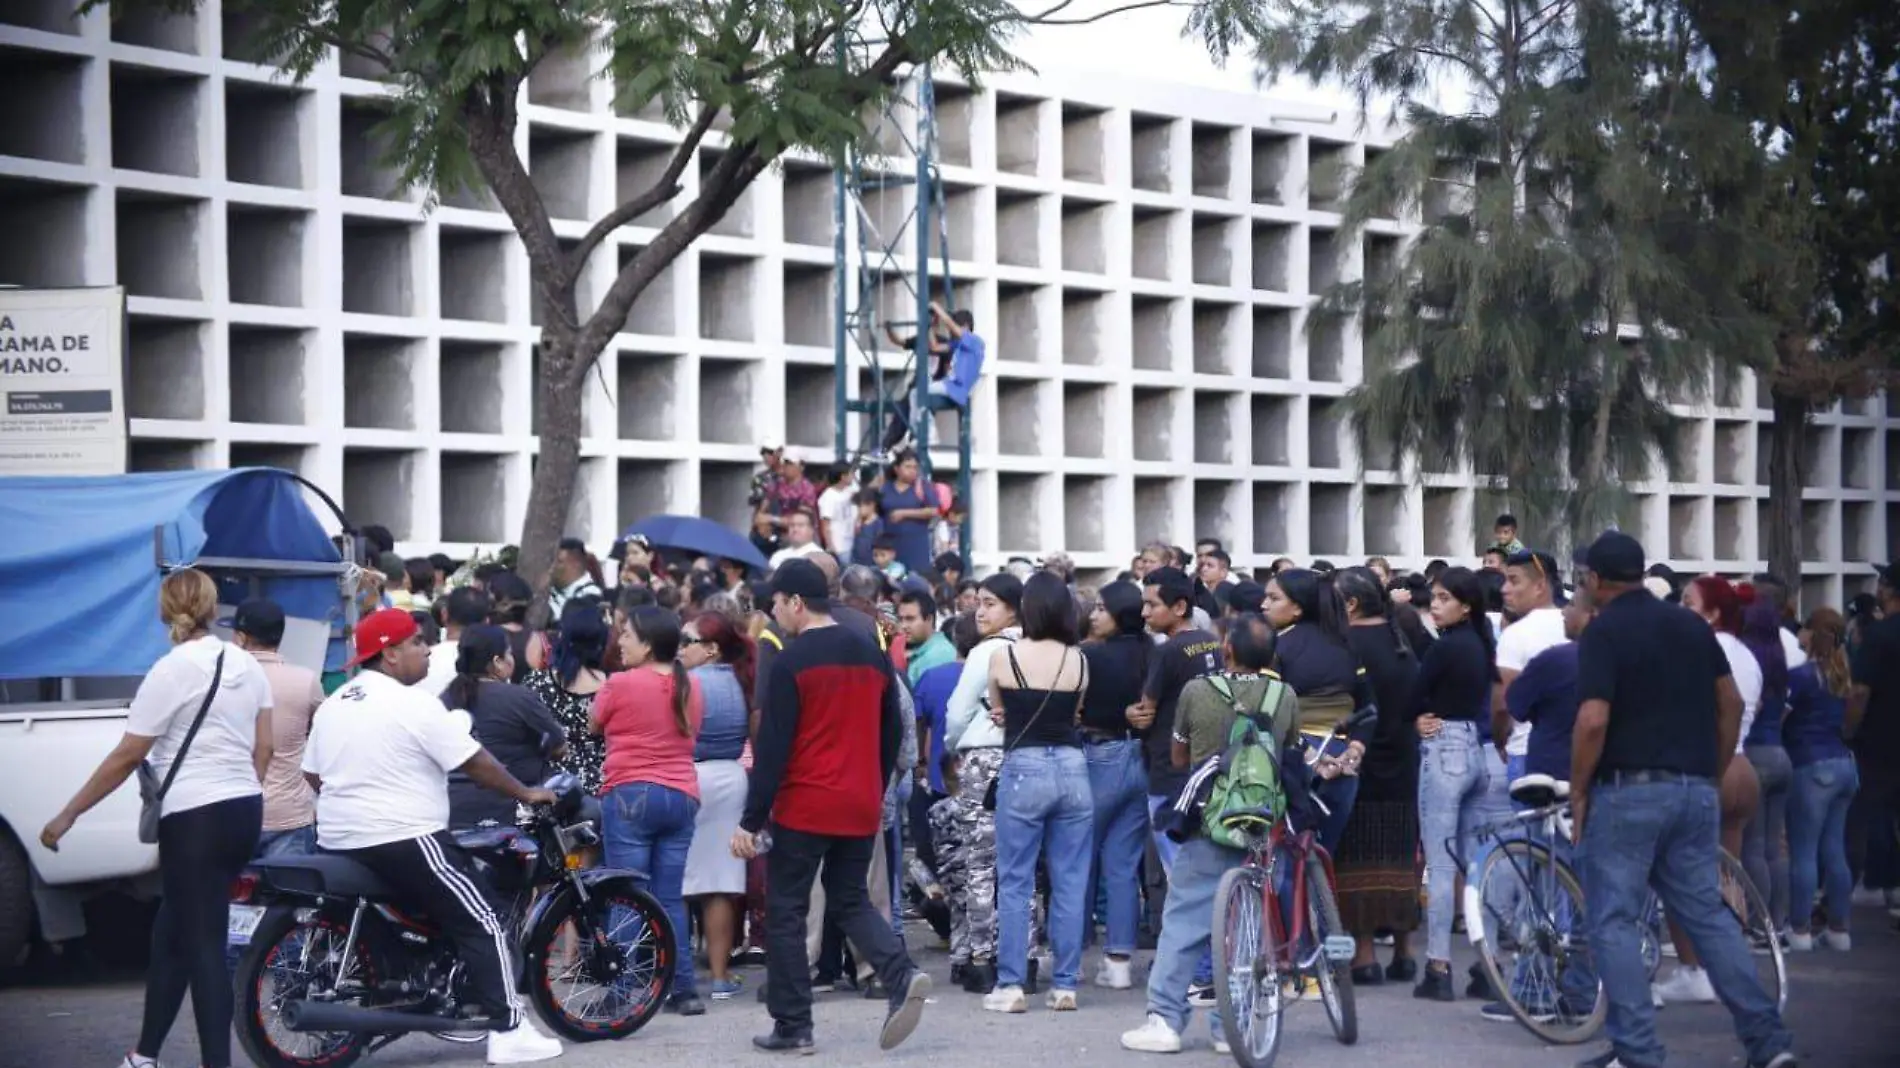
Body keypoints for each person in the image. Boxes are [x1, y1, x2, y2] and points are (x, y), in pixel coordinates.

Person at [1568, 531, 1796, 1068]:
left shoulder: (1605, 631)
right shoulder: (1691, 624)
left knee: (1616, 920)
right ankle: (1768, 1043)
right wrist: (1710, 772)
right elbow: (1731, 702)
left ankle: (1638, 1051)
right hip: (1693, 789)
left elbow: (1594, 718)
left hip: (1629, 791)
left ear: (1596, 580)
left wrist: (1579, 789)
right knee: (1708, 916)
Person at [299, 608, 563, 1064]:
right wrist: (526, 791)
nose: (426, 650)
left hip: (339, 839)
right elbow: (475, 763)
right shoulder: (415, 704)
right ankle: (508, 1028)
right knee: (486, 918)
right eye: (418, 642)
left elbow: (312, 774)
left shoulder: (337, 702)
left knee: (406, 921)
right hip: (405, 837)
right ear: (391, 653)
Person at [42, 570, 272, 1068]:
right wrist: (240, 788)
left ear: (165, 612)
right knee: (172, 933)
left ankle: (217, 1063)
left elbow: (127, 757)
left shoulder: (169, 671)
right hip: (243, 808)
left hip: (195, 816)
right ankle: (144, 1055)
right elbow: (266, 747)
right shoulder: (247, 664)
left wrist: (68, 814)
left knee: (203, 946)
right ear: (212, 608)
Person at [731, 559, 931, 1054]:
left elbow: (774, 745)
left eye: (777, 605)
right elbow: (893, 729)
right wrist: (876, 781)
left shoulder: (793, 661)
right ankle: (900, 973)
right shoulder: (872, 652)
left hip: (805, 802)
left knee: (787, 910)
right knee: (850, 900)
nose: (775, 615)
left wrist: (750, 820)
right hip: (860, 799)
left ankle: (793, 1024)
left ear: (796, 602)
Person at [1121, 615, 1298, 1055]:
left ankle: (1164, 1020)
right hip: (1261, 825)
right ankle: (1231, 1026)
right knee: (1248, 927)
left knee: (1183, 923)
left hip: (1207, 821)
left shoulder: (1198, 691)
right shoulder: (1285, 694)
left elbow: (1179, 756)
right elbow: (1288, 750)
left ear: (1227, 651)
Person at [983, 573, 1093, 1014]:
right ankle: (1065, 984)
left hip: (1024, 766)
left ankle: (1010, 985)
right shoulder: (1080, 660)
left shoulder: (1003, 656)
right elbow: (1077, 713)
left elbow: (998, 707)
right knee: (1070, 881)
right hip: (1072, 767)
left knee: (1015, 881)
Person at [594, 605, 706, 1016]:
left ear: (646, 643)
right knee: (669, 898)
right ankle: (684, 989)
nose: (620, 642)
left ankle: (624, 991)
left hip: (630, 794)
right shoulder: (690, 684)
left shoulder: (620, 683)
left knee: (626, 895)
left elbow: (594, 723)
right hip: (681, 795)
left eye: (626, 635)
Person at [1409, 566, 1498, 1002]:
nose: (1436, 606)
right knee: (1477, 863)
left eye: (1444, 598)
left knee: (1442, 866)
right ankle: (1489, 966)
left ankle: (1439, 965)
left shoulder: (1445, 649)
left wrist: (1415, 715)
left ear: (1466, 604)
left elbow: (1414, 695)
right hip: (1477, 749)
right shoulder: (1482, 643)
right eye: (1435, 598)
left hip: (1444, 746)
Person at [1331, 567, 1421, 985]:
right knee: (1402, 857)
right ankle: (1404, 952)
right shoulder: (1401, 638)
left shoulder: (1348, 646)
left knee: (1358, 859)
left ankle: (1364, 956)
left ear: (1349, 604)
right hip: (1404, 759)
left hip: (1360, 758)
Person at [941, 572, 1026, 992]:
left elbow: (957, 714)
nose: (980, 610)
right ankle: (1024, 955)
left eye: (990, 602)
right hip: (1029, 756)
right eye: (979, 601)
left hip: (984, 757)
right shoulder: (1038, 648)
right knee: (1024, 862)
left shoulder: (986, 651)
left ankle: (983, 956)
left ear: (1012, 608)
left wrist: (950, 743)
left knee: (979, 861)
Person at [1079, 581, 1153, 991]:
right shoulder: (1152, 653)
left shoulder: (1090, 656)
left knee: (1076, 860)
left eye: (1102, 609)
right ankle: (1120, 960)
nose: (1093, 615)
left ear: (1120, 613)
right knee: (1123, 865)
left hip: (1099, 754)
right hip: (1140, 757)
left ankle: (1071, 953)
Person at [680, 610, 756, 999]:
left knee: (678, 879)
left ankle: (679, 975)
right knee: (721, 883)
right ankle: (721, 975)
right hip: (731, 778)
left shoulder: (689, 684)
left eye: (687, 642)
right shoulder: (743, 682)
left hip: (692, 776)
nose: (679, 650)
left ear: (710, 649)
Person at [225, 598, 325, 859]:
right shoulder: (306, 681)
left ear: (239, 638)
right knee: (290, 898)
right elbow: (323, 736)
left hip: (232, 812)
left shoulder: (221, 681)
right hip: (289, 816)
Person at [443, 625, 567, 830]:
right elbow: (560, 747)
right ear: (497, 662)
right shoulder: (519, 697)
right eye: (509, 653)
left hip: (452, 808)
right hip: (511, 808)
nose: (512, 658)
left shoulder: (444, 699)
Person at [1784, 608, 1858, 950]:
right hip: (1844, 765)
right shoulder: (1844, 676)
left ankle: (1799, 930)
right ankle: (1839, 929)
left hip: (1811, 765)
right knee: (1835, 849)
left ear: (1812, 634)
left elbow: (1782, 718)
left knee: (1803, 851)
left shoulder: (1800, 677)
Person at [525, 603, 611, 793]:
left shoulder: (537, 682)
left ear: (563, 637)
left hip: (549, 785)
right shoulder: (612, 687)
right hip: (601, 785)